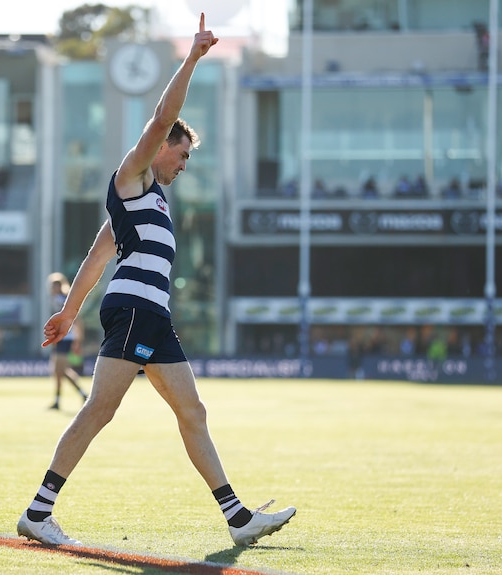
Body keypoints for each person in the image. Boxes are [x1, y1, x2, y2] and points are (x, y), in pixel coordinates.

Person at [17, 13, 295, 548]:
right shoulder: (135, 173)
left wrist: (69, 313)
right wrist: (191, 57)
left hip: (150, 316)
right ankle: (38, 511)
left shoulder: (149, 201)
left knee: (192, 410)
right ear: (164, 146)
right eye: (184, 153)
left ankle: (238, 519)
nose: (185, 164)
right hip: (135, 312)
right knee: (101, 408)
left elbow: (97, 257)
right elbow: (163, 115)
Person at [46, 272, 88, 410]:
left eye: (53, 286)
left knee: (59, 370)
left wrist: (78, 340)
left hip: (67, 338)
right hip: (61, 338)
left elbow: (77, 319)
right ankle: (81, 394)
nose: (51, 289)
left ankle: (59, 400)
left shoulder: (62, 299)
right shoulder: (58, 299)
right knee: (60, 371)